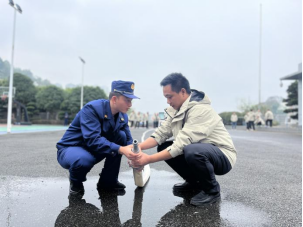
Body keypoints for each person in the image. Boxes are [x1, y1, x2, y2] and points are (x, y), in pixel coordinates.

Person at [132, 73, 237, 206]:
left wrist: (147, 159)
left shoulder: (200, 109)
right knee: (164, 146)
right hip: (199, 150)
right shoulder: (176, 109)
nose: (168, 101)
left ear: (182, 92)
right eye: (166, 97)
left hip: (222, 155)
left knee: (191, 150)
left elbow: (180, 145)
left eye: (169, 97)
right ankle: (195, 183)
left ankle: (212, 191)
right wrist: (139, 147)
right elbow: (161, 133)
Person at [56, 81, 141, 197]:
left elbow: (128, 141)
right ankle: (75, 182)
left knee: (121, 136)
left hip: (94, 148)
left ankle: (108, 181)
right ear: (115, 99)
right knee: (83, 160)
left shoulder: (123, 116)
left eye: (131, 101)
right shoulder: (92, 109)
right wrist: (121, 149)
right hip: (73, 148)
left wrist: (137, 156)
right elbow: (92, 139)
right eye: (128, 100)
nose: (130, 104)